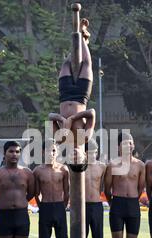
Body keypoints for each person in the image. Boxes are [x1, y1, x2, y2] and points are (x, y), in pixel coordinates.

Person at [104, 132, 145, 238]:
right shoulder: (112, 165)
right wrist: (113, 203)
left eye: (130, 142)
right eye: (124, 143)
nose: (128, 145)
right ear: (118, 146)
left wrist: (133, 198)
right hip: (117, 204)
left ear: (133, 145)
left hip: (133, 205)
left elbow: (141, 188)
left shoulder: (140, 165)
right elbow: (107, 189)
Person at [49, 18, 95, 147]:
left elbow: (50, 116)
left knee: (66, 64)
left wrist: (62, 120)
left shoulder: (59, 139)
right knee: (86, 63)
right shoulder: (84, 138)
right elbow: (92, 113)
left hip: (65, 95)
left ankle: (82, 40)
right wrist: (73, 119)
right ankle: (82, 37)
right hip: (81, 96)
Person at [33, 139, 69, 238]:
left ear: (57, 152)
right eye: (48, 150)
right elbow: (36, 193)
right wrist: (42, 206)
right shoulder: (38, 171)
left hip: (60, 208)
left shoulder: (63, 170)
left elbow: (67, 192)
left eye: (54, 150)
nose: (51, 153)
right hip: (46, 208)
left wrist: (63, 206)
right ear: (43, 152)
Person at [84, 139, 107, 238]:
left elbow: (103, 187)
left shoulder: (102, 167)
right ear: (84, 153)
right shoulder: (79, 167)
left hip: (97, 206)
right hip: (82, 207)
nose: (93, 154)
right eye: (90, 152)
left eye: (95, 152)